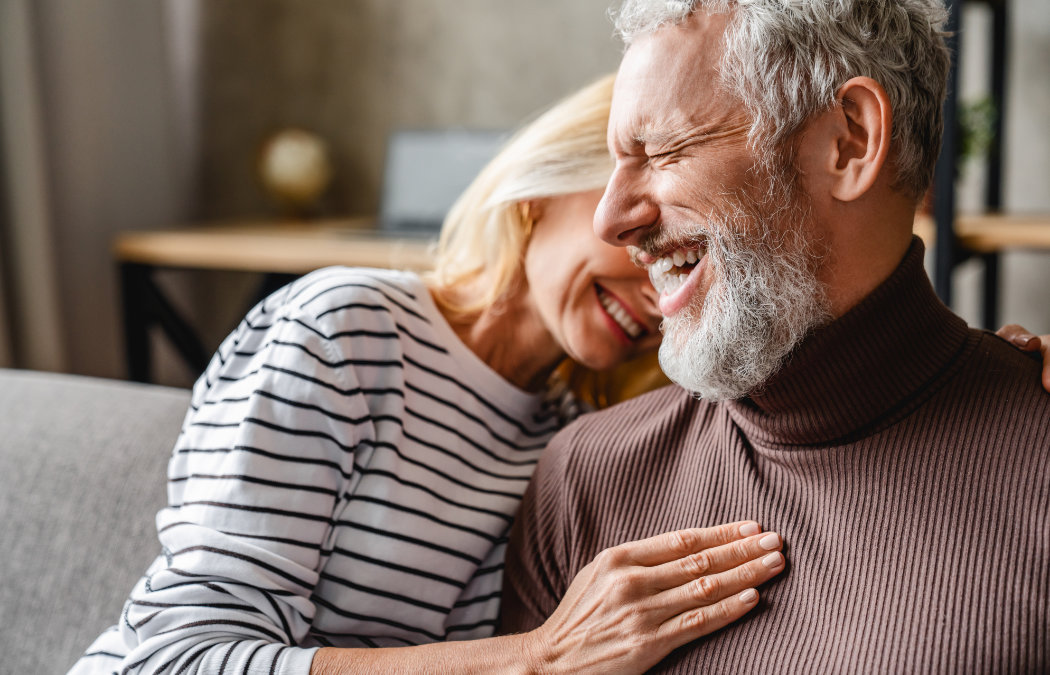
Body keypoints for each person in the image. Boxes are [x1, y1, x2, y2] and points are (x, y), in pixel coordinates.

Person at [71, 75, 788, 675]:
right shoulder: (344, 329)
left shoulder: (568, 439)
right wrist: (537, 658)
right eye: (643, 243)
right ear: (544, 188)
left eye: (684, 268)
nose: (656, 296)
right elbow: (177, 657)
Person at [501, 1, 1050, 673]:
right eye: (619, 162)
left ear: (848, 140)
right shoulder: (586, 478)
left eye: (664, 151)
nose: (611, 218)